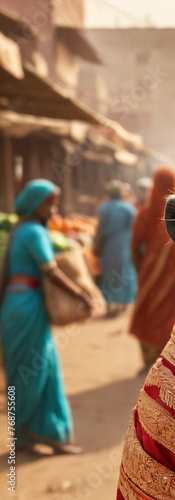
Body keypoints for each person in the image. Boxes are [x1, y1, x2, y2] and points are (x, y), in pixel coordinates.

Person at [0, 179, 93, 454]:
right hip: (26, 308)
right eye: (48, 203)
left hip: (16, 306)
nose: (53, 209)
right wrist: (82, 293)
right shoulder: (34, 233)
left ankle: (34, 434)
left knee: (33, 370)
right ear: (34, 204)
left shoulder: (20, 230)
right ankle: (36, 432)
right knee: (36, 370)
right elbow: (51, 271)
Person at [130, 167, 175, 367]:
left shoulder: (144, 214)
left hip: (151, 274)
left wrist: (142, 269)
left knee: (150, 311)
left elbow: (134, 245)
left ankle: (151, 358)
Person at [96, 180, 137, 317]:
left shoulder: (103, 208)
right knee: (124, 273)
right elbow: (134, 227)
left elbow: (100, 229)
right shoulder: (129, 209)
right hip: (125, 244)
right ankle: (124, 304)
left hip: (108, 245)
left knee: (108, 274)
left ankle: (108, 304)